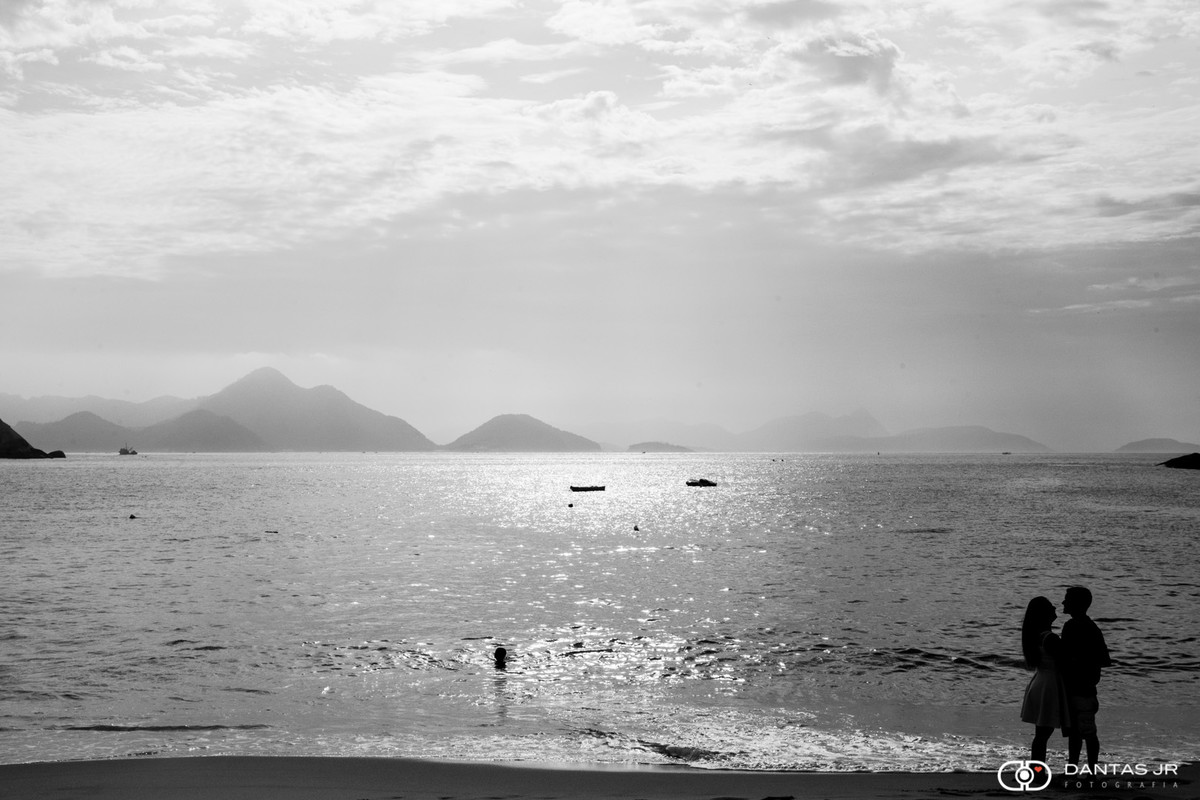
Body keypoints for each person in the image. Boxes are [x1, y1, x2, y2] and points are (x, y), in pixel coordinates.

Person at [1060, 586, 1111, 770]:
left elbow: (1064, 658)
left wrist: (1077, 662)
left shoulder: (1073, 626)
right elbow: (1104, 659)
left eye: (1067, 599)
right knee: (1082, 732)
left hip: (1080, 691)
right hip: (1085, 690)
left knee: (1084, 733)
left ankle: (1087, 772)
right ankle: (1083, 771)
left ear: (1077, 604)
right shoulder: (1091, 627)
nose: (1063, 602)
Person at [1019, 596, 1070, 763]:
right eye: (1050, 606)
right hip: (1048, 686)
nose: (1054, 607)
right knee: (1043, 734)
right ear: (1044, 613)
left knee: (1041, 734)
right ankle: (1037, 770)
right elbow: (1065, 660)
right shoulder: (1050, 638)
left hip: (1040, 682)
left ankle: (1036, 769)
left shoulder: (1037, 636)